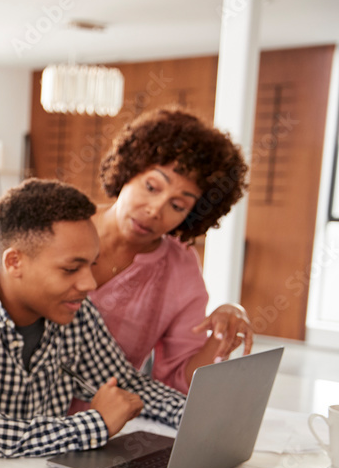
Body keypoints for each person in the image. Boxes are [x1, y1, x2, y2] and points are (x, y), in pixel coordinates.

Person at [0, 178, 185, 465]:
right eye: (70, 269)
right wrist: (94, 425)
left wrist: (198, 414)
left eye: (91, 265)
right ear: (14, 262)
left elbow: (127, 385)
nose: (89, 283)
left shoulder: (75, 312)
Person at [89, 107, 254, 394]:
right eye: (151, 187)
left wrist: (224, 326)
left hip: (106, 424)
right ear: (129, 169)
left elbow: (179, 381)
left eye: (178, 206)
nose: (155, 210)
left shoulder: (179, 268)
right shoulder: (62, 223)